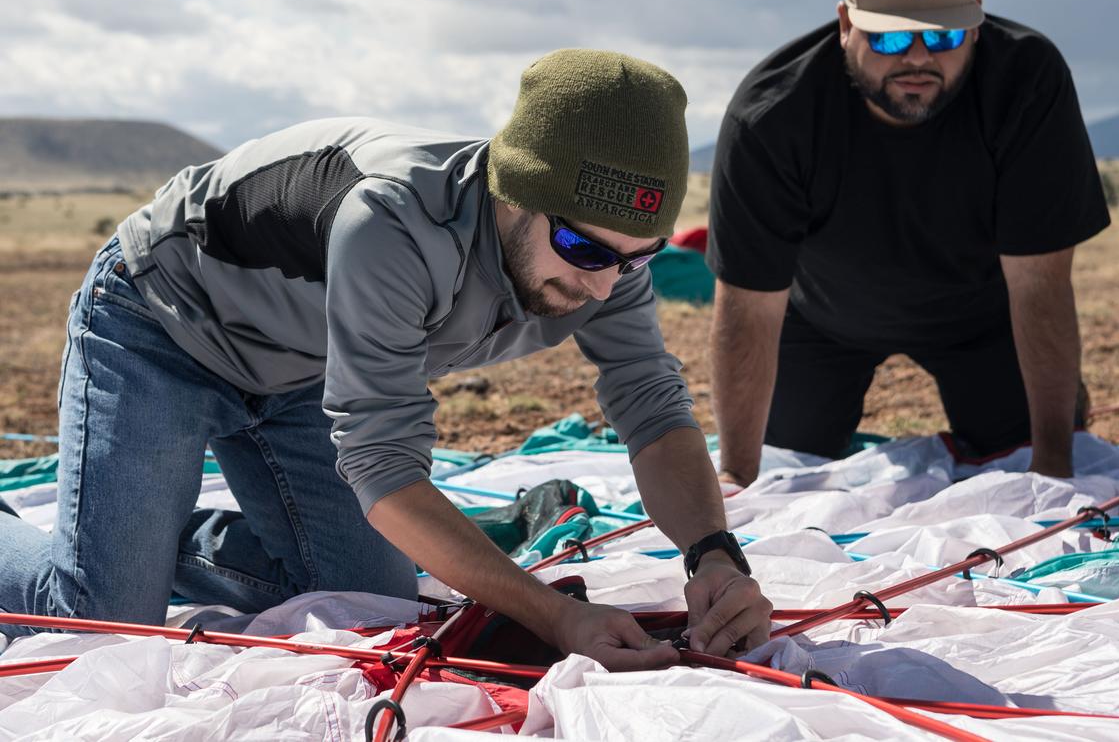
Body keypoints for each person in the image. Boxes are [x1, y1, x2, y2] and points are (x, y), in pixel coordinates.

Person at [0, 49, 771, 667]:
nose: (603, 283)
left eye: (636, 258)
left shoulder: (607, 262)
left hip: (303, 369)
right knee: (100, 623)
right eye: (582, 248)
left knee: (368, 602)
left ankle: (133, 529)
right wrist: (554, 614)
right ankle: (113, 548)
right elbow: (385, 469)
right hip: (163, 326)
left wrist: (714, 555)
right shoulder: (395, 218)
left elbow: (654, 409)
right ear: (515, 192)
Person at [707, 0, 1111, 486]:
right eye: (892, 37)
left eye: (943, 36)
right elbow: (748, 307)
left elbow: (1040, 284)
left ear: (975, 22)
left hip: (981, 316)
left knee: (1027, 447)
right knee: (781, 459)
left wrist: (1054, 469)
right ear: (845, 23)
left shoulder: (1027, 81)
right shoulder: (773, 116)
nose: (918, 58)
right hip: (822, 317)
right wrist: (735, 476)